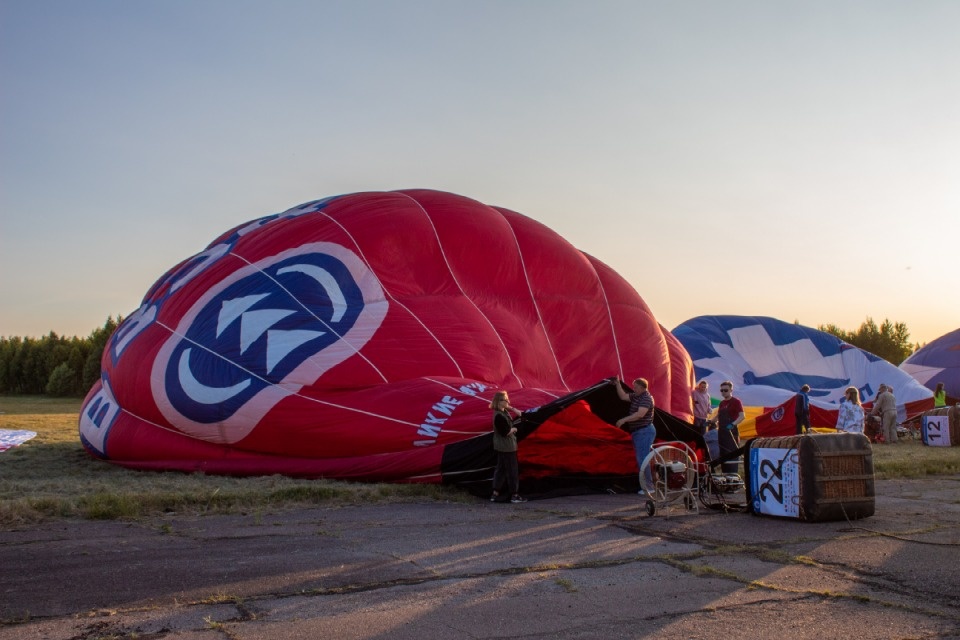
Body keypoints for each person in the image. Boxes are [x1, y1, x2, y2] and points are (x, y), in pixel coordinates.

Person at [613, 377, 656, 488]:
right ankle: (646, 485)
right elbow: (623, 396)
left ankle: (649, 486)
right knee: (641, 458)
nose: (633, 389)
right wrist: (618, 384)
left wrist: (623, 420)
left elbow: (639, 414)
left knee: (643, 458)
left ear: (642, 387)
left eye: (635, 387)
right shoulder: (637, 396)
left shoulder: (646, 398)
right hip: (638, 432)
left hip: (644, 431)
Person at [489, 390, 526, 503]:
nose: (508, 401)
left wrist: (512, 408)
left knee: (501, 469)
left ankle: (495, 493)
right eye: (506, 400)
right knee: (512, 470)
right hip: (507, 447)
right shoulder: (499, 416)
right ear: (500, 401)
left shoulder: (504, 412)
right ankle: (514, 495)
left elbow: (522, 415)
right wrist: (514, 429)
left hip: (505, 446)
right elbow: (505, 432)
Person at [716, 381, 745, 473]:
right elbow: (718, 416)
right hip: (722, 434)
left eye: (725, 390)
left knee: (732, 455)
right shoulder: (721, 403)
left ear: (731, 390)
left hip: (731, 432)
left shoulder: (736, 402)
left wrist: (733, 424)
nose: (723, 392)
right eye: (722, 390)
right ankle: (725, 478)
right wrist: (709, 421)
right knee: (724, 456)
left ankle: (733, 477)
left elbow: (742, 416)